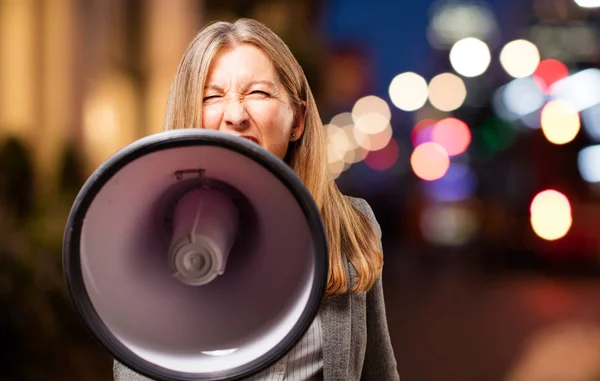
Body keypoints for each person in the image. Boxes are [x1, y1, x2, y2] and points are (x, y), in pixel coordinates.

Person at [114, 18, 399, 381]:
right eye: (212, 96)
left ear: (297, 119)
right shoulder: (151, 236)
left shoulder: (351, 225)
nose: (235, 116)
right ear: (190, 114)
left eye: (259, 93)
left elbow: (379, 372)